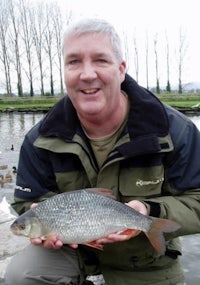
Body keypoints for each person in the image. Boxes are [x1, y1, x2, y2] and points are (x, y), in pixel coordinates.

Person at [4, 18, 200, 285]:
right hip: (72, 249)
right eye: (74, 61)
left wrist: (147, 210)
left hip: (144, 258)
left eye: (100, 60)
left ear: (121, 69)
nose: (86, 74)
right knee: (23, 275)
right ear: (64, 71)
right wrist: (38, 215)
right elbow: (27, 201)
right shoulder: (39, 139)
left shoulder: (175, 131)